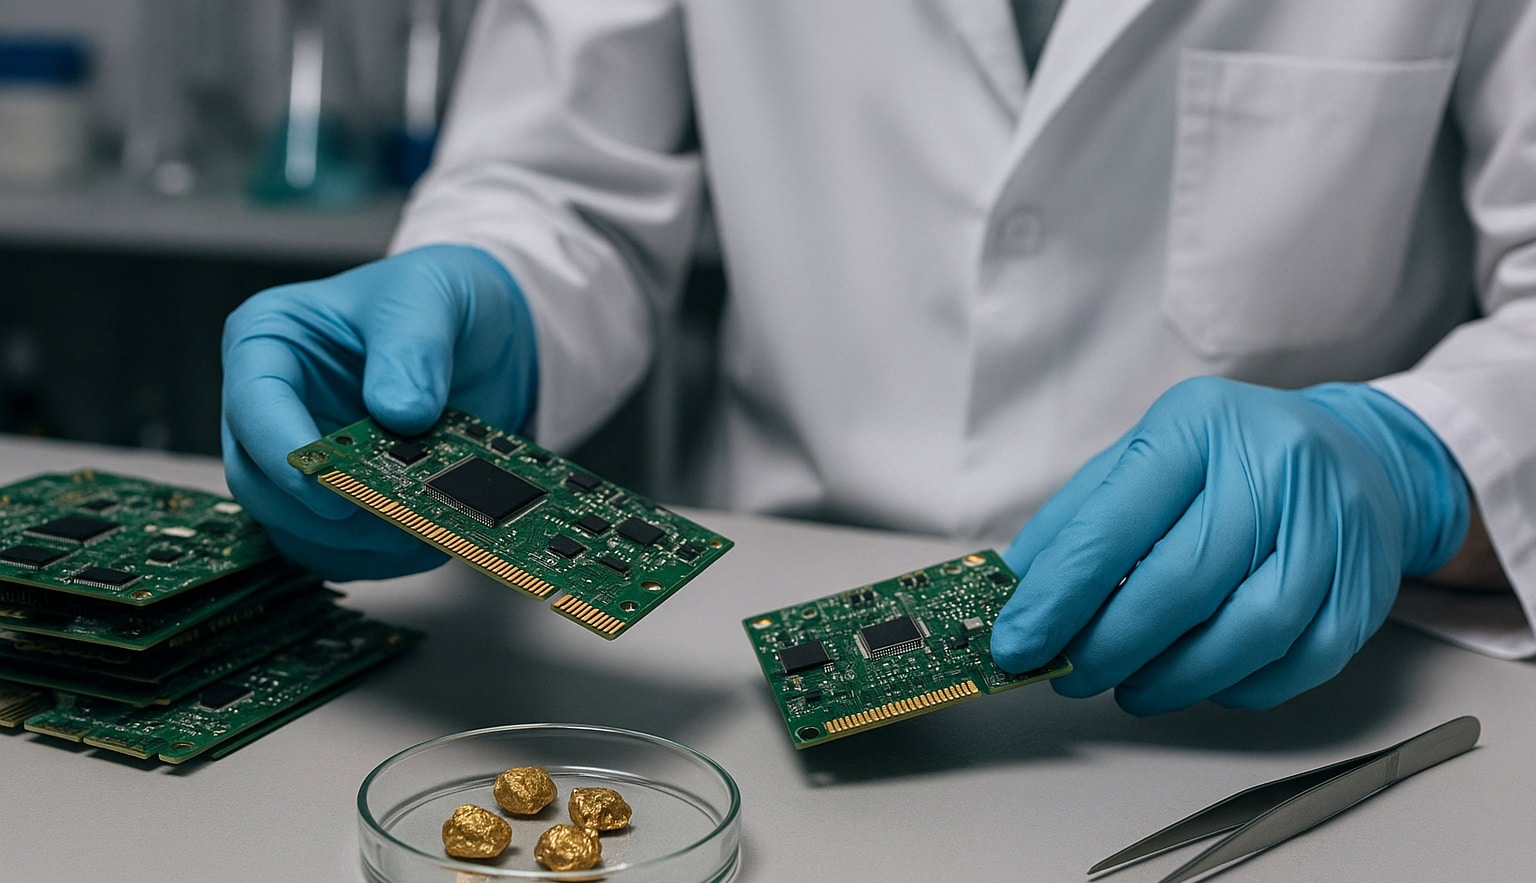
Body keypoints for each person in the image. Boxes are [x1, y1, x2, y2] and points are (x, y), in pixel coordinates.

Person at [222, 1, 1535, 716]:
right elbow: (558, 176)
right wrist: (499, 295)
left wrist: (1417, 460)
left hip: (1286, 685)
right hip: (746, 668)